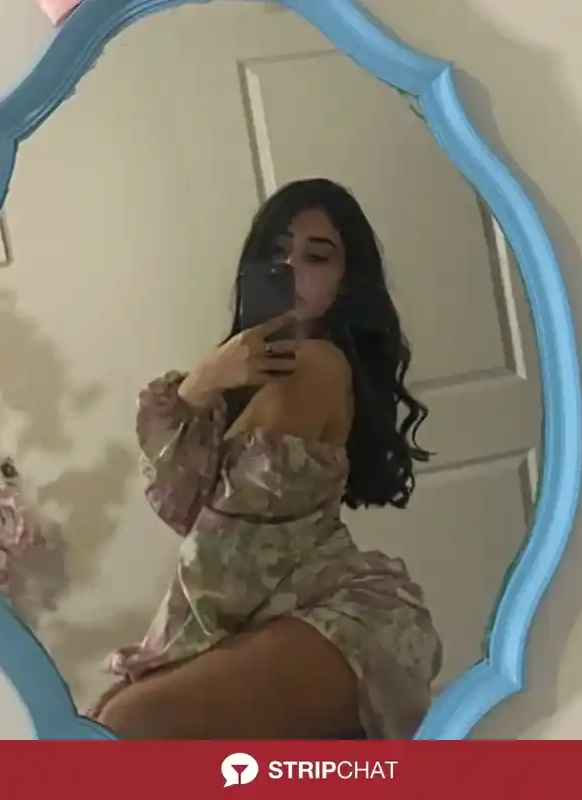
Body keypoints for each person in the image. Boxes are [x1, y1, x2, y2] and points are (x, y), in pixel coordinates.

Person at [88, 178, 442, 740]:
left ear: (345, 280)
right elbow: (181, 505)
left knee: (125, 721)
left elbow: (228, 543)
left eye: (316, 257)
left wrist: (164, 654)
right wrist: (201, 384)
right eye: (277, 252)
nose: (291, 268)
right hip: (273, 601)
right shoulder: (240, 376)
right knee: (115, 723)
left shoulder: (317, 366)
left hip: (341, 609)